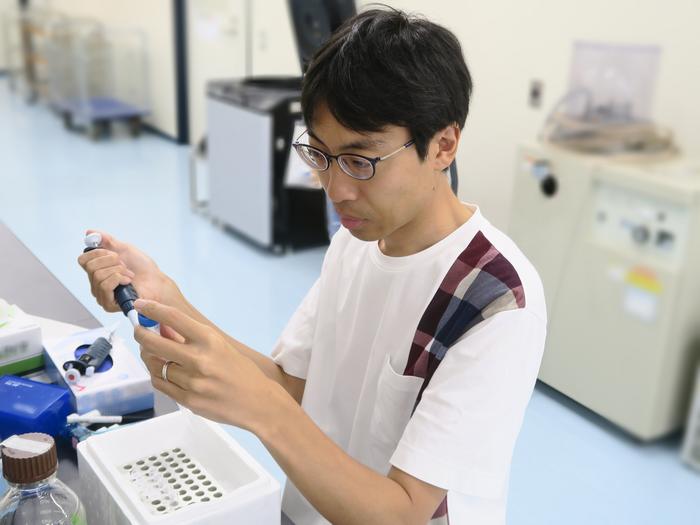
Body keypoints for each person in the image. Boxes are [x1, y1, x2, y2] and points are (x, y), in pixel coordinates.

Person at [78, 7, 546, 525]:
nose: (336, 189)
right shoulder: (358, 238)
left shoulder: (496, 299)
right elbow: (293, 386)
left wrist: (262, 412)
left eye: (359, 160)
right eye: (319, 154)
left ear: (443, 145)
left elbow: (404, 513)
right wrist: (166, 298)